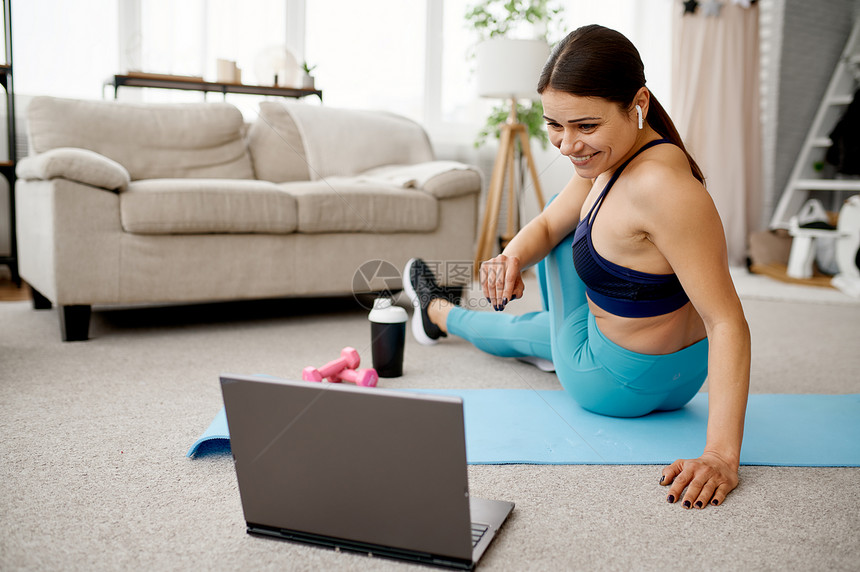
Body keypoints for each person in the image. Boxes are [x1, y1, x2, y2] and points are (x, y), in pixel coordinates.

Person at [403, 24, 751, 510]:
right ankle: (439, 313)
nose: (567, 145)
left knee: (569, 238)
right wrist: (511, 257)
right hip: (683, 375)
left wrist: (719, 456)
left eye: (586, 126)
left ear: (639, 103)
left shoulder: (658, 189)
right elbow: (542, 225)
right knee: (538, 319)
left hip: (610, 384)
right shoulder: (645, 157)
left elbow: (728, 321)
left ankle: (438, 313)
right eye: (555, 125)